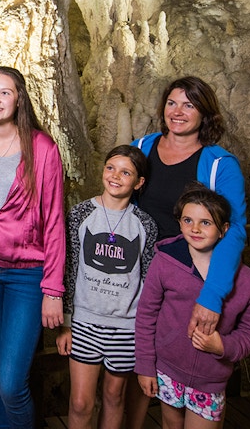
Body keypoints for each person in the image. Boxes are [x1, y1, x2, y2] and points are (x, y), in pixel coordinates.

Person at [0, 66, 66, 429]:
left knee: (10, 379)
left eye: (5, 92)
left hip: (27, 275)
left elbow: (54, 220)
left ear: (19, 98)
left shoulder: (42, 148)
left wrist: (53, 289)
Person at [134, 184, 250, 429]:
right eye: (188, 220)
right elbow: (146, 315)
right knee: (170, 424)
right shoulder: (165, 262)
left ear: (224, 229)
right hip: (167, 369)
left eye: (206, 223)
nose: (195, 229)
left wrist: (223, 346)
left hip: (210, 379)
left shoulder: (246, 281)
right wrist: (144, 366)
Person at [131, 76, 247, 337]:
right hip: (136, 271)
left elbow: (235, 231)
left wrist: (212, 296)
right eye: (172, 103)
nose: (178, 112)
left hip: (187, 275)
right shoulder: (140, 149)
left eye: (189, 105)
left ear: (204, 113)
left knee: (175, 352)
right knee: (129, 354)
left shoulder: (221, 165)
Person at [56, 145, 159, 429]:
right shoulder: (80, 214)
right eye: (111, 168)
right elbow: (69, 268)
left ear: (138, 183)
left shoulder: (144, 224)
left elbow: (148, 279)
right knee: (80, 402)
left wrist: (145, 331)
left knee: (114, 396)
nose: (115, 176)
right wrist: (65, 324)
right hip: (84, 323)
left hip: (126, 327)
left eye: (126, 172)